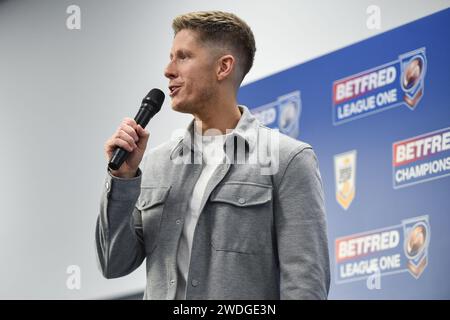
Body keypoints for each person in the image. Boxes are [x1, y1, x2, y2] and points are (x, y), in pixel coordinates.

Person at [96, 10, 330, 300]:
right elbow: (112, 263)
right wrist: (123, 178)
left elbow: (305, 285)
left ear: (223, 67)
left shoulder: (288, 160)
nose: (168, 70)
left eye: (183, 56)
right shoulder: (155, 164)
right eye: (170, 57)